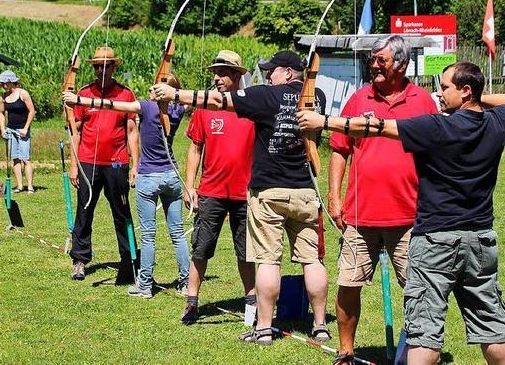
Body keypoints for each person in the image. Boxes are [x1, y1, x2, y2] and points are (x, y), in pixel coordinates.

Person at [297, 61, 505, 365]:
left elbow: (374, 126)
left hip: (436, 241)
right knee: (492, 324)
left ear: (466, 90)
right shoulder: (497, 123)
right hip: (480, 240)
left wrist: (321, 121)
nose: (438, 94)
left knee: (424, 330)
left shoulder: (437, 126)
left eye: (445, 88)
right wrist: (478, 100)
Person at [152, 50, 330, 345]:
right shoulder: (317, 96)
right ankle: (321, 325)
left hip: (270, 191)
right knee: (312, 261)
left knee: (269, 262)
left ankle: (262, 328)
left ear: (287, 72)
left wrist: (174, 93)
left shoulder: (265, 96)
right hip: (305, 190)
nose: (268, 75)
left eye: (272, 70)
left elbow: (217, 101)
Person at [325, 36, 437, 364]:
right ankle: (346, 351)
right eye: (373, 60)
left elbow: (436, 153)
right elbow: (339, 150)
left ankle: (415, 352)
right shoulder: (359, 99)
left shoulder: (423, 101)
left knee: (418, 291)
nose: (374, 65)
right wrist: (334, 197)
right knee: (348, 284)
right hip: (360, 216)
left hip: (410, 216)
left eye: (381, 61)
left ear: (401, 65)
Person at [64, 73, 190, 295]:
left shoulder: (146, 107)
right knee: (177, 233)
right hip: (171, 176)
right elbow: (192, 99)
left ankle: (144, 283)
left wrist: (79, 100)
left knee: (148, 235)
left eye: (156, 85)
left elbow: (110, 105)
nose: (151, 87)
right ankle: (185, 282)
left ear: (163, 91)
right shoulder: (177, 110)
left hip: (149, 176)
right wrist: (174, 93)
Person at [180, 50, 256, 324]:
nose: (217, 77)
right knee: (201, 248)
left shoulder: (251, 107)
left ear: (237, 76)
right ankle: (191, 302)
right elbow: (195, 149)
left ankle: (251, 305)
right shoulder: (204, 106)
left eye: (223, 72)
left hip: (245, 193)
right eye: (215, 72)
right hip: (211, 191)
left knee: (246, 251)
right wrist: (190, 186)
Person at [67, 46, 140, 281]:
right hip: (88, 162)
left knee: (121, 211)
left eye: (107, 65)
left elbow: (131, 131)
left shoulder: (125, 94)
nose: (102, 70)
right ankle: (79, 259)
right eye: (98, 66)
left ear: (114, 67)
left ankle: (129, 260)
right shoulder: (83, 93)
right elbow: (75, 131)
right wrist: (73, 165)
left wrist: (135, 164)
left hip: (117, 162)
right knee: (84, 210)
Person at [0, 70, 36, 193]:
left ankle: (30, 186)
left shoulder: (23, 94)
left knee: (25, 158)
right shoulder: (3, 97)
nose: (3, 85)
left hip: (22, 130)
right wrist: (3, 129)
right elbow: (1, 113)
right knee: (15, 158)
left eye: (4, 82)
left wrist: (26, 128)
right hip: (11, 130)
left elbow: (31, 111)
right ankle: (19, 186)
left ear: (10, 82)